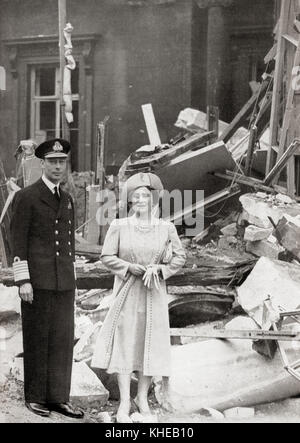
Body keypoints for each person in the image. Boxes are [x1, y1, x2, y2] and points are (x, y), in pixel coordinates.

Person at [91, 172, 186, 423]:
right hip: (127, 292)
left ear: (154, 199)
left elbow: (179, 258)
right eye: (137, 197)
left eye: (146, 195)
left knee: (149, 344)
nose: (142, 200)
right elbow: (106, 256)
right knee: (125, 343)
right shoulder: (119, 226)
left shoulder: (166, 228)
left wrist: (161, 270)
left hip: (153, 292)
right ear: (130, 201)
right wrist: (127, 267)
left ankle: (142, 398)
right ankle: (124, 401)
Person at [10, 138, 84, 420]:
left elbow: (68, 245)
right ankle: (36, 397)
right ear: (42, 164)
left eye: (61, 162)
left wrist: (72, 279)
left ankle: (58, 398)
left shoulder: (66, 199)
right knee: (38, 338)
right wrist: (23, 281)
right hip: (36, 283)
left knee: (62, 341)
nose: (57, 167)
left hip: (63, 282)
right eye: (52, 162)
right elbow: (19, 242)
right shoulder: (27, 197)